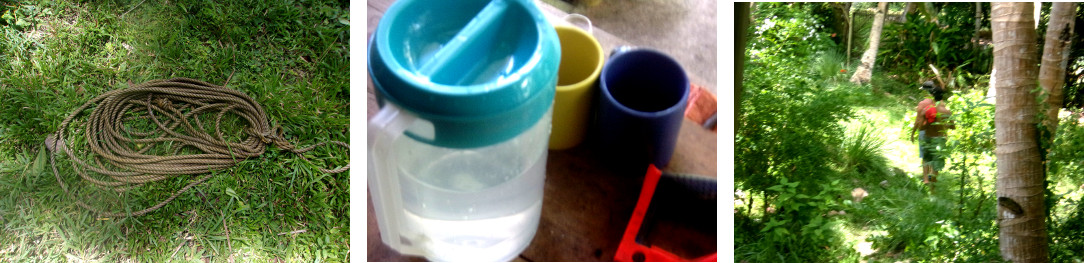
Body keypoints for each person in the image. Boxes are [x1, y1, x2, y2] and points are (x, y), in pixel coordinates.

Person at [909, 81, 954, 194]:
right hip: (940, 139)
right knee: (936, 164)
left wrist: (917, 131)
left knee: (927, 159)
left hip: (928, 137)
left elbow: (921, 126)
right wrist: (944, 125)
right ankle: (932, 189)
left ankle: (926, 180)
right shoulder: (947, 112)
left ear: (932, 96)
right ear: (942, 97)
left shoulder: (927, 110)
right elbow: (953, 126)